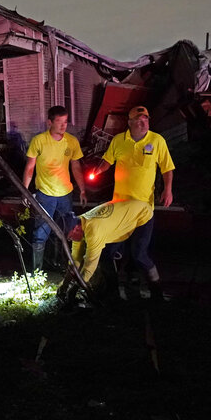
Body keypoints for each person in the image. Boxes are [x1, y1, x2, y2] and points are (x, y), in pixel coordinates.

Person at [87, 105, 175, 292]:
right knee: (109, 251)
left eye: (146, 120)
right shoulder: (119, 140)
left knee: (139, 253)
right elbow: (108, 161)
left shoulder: (157, 140)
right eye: (139, 120)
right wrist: (98, 170)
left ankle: (153, 288)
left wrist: (168, 190)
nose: (143, 123)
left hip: (143, 209)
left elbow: (167, 168)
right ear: (130, 123)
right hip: (119, 207)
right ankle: (110, 289)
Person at [21, 105, 86, 272]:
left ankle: (65, 266)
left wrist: (83, 189)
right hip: (45, 194)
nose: (64, 126)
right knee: (41, 231)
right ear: (49, 122)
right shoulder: (39, 141)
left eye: (65, 122)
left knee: (67, 230)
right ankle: (37, 272)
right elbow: (30, 167)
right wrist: (25, 190)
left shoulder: (71, 141)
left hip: (65, 194)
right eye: (59, 122)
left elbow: (76, 166)